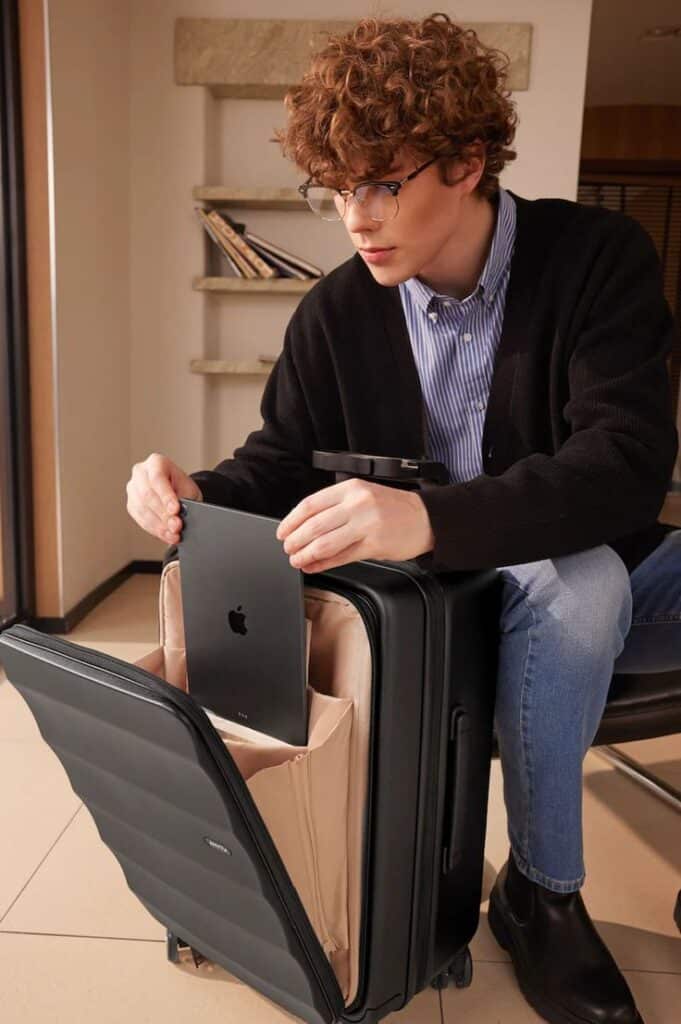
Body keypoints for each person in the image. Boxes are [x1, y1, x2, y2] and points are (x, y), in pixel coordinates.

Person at [126, 13, 680, 1024]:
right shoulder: (336, 311)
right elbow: (280, 464)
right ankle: (542, 894)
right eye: (336, 190)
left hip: (590, 551)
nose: (354, 217)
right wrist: (195, 494)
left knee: (594, 567)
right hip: (457, 607)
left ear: (468, 160)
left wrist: (420, 518)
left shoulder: (598, 258)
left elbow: (626, 470)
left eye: (383, 183)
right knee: (579, 584)